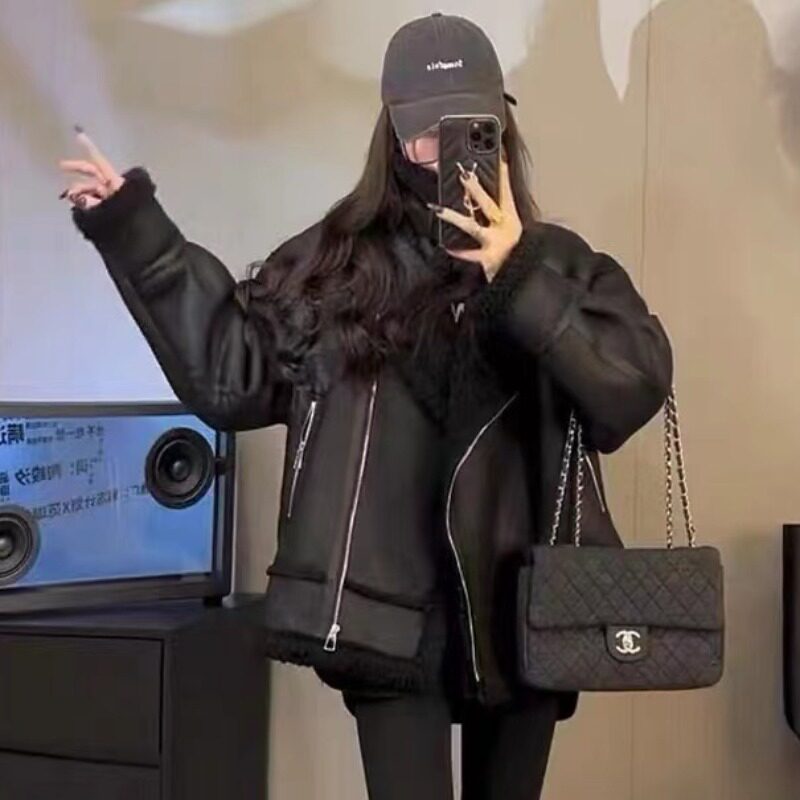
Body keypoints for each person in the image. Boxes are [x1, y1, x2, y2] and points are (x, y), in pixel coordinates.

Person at [59, 13, 672, 800]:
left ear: (500, 128)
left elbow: (632, 387)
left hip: (525, 607)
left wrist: (518, 274)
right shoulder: (335, 263)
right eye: (423, 133)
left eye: (465, 131)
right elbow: (228, 374)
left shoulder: (562, 266)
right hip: (386, 614)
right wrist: (133, 229)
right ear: (393, 135)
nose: (440, 153)